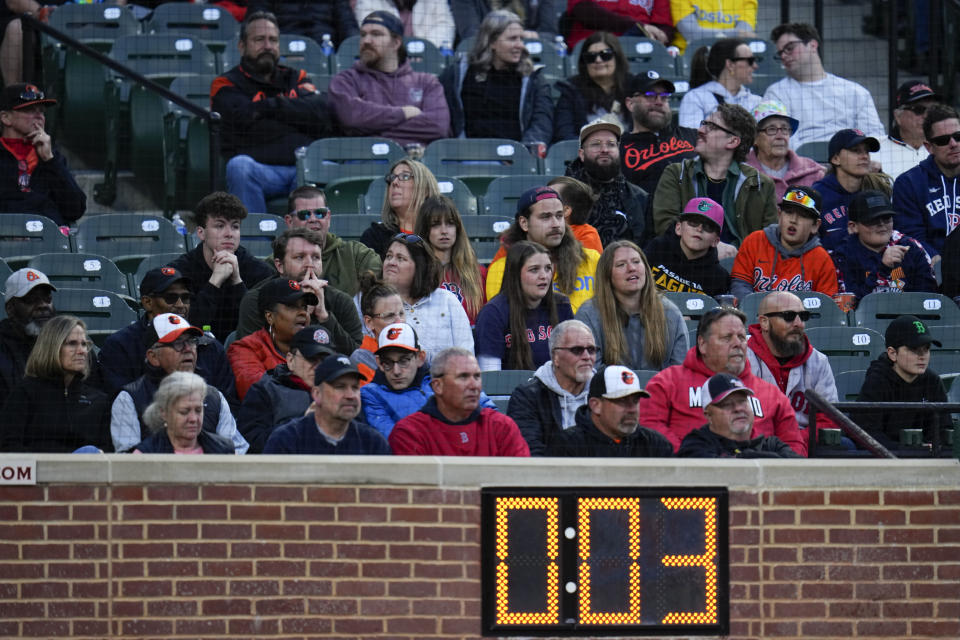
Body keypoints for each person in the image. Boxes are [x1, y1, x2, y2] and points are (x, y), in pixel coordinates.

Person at [211, 11, 334, 214]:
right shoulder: (225, 83)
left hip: (301, 167)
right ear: (242, 46)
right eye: (259, 40)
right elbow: (239, 125)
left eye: (273, 40)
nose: (267, 46)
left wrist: (267, 108)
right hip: (260, 171)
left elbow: (321, 115)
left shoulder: (297, 76)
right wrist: (293, 112)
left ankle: (308, 243)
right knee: (239, 166)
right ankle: (255, 244)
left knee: (324, 164)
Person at [638, 306, 806, 455]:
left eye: (741, 337)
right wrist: (692, 459)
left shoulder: (771, 393)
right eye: (727, 338)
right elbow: (650, 428)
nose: (737, 344)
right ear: (702, 344)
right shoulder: (668, 382)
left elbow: (794, 445)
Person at [97, 266, 238, 406]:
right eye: (171, 298)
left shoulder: (210, 346)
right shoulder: (120, 345)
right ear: (147, 302)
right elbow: (120, 402)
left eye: (186, 297)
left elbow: (229, 403)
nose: (180, 304)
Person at [110, 314, 248, 455]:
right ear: (153, 356)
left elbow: (236, 453)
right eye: (177, 343)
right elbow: (127, 463)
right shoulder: (129, 398)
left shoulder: (214, 396)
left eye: (192, 341)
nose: (188, 349)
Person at [652, 103, 777, 257]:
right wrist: (710, 249)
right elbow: (665, 225)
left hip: (743, 268)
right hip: (687, 265)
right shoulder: (677, 173)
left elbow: (770, 240)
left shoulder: (761, 184)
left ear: (732, 141)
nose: (700, 130)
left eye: (711, 126)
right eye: (703, 124)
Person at [329, 10, 450, 148]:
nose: (366, 40)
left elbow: (438, 126)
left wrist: (369, 129)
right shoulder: (346, 80)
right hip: (365, 161)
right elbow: (351, 117)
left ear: (396, 43)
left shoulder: (427, 83)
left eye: (376, 34)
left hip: (416, 164)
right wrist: (403, 112)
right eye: (363, 35)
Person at [233, 228, 363, 354]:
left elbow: (356, 356)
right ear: (279, 265)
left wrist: (324, 317)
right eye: (300, 257)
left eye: (316, 257)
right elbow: (251, 354)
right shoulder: (256, 300)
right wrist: (306, 315)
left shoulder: (341, 301)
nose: (310, 264)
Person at [361, 322, 498, 438]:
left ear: (420, 358)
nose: (396, 371)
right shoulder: (371, 395)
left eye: (404, 361)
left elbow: (492, 415)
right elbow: (395, 438)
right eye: (388, 363)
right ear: (379, 363)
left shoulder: (445, 376)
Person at [170, 192, 275, 342]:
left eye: (235, 226)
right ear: (201, 233)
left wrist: (237, 281)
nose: (229, 234)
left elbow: (263, 328)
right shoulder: (181, 272)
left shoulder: (259, 272)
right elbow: (183, 327)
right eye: (219, 226)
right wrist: (214, 282)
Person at [763, 22, 884, 150]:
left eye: (790, 48)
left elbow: (875, 135)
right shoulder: (776, 93)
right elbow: (780, 140)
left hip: (851, 161)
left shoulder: (855, 92)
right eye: (780, 53)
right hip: (802, 164)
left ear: (812, 45)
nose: (783, 55)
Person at [439, 10, 553, 144]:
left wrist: (522, 154)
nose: (520, 45)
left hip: (515, 158)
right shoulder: (458, 74)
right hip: (467, 154)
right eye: (512, 39)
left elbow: (542, 125)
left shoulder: (533, 78)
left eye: (521, 39)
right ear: (491, 41)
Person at [389, 348, 530, 456]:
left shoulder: (502, 427)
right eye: (463, 377)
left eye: (477, 377)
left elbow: (522, 484)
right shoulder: (409, 432)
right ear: (438, 386)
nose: (474, 385)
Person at [0, 315, 111, 453]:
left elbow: (107, 453)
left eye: (84, 344)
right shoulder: (24, 394)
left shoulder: (99, 401)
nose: (82, 351)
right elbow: (9, 447)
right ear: (52, 346)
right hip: (38, 472)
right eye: (72, 343)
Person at [575, 239, 686, 370]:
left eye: (636, 262)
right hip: (609, 390)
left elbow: (679, 370)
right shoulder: (589, 314)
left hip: (660, 389)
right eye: (621, 264)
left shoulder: (670, 312)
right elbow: (590, 371)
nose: (631, 268)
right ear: (607, 275)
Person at [487, 186, 600, 312]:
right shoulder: (501, 270)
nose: (556, 224)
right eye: (545, 217)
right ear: (524, 223)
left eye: (559, 216)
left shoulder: (591, 259)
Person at [745, 291, 840, 434]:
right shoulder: (740, 355)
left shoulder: (818, 361)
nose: (798, 323)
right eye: (788, 316)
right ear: (764, 322)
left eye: (803, 316)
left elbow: (829, 420)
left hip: (805, 442)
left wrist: (797, 444)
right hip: (754, 442)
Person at [263, 354, 393, 454]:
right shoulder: (286, 439)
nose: (350, 395)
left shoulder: (372, 442)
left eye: (355, 388)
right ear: (317, 394)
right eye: (340, 387)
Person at [476, 241, 574, 371]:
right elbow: (492, 378)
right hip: (509, 390)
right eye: (534, 270)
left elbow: (573, 361)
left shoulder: (562, 306)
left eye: (548, 268)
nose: (544, 276)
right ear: (516, 275)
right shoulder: (493, 314)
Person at [855, 315, 949, 450]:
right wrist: (907, 451)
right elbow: (866, 433)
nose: (922, 356)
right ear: (892, 353)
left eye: (926, 349)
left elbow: (943, 429)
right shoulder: (877, 380)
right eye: (914, 349)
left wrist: (930, 448)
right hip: (884, 461)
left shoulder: (932, 381)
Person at [730, 186, 838, 299]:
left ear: (815, 226)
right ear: (779, 215)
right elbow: (740, 286)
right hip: (756, 315)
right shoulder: (755, 242)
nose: (793, 220)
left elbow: (826, 306)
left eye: (802, 216)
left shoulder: (821, 260)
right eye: (789, 212)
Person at [0, 82, 85, 226]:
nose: (38, 116)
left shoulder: (51, 157)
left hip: (47, 241)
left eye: (41, 111)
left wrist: (50, 160)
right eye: (29, 110)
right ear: (6, 117)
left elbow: (75, 209)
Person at [507, 319, 597, 455]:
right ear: (556, 357)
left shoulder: (605, 392)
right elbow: (530, 453)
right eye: (577, 350)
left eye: (591, 350)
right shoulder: (527, 397)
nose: (587, 356)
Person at [238, 325, 333, 453]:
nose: (318, 366)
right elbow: (250, 443)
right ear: (290, 360)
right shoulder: (265, 391)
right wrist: (301, 425)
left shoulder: (342, 392)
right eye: (311, 359)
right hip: (283, 469)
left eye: (325, 360)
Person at [381, 232, 474, 360]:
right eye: (388, 256)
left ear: (420, 267)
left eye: (400, 258)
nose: (391, 262)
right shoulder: (371, 302)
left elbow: (466, 355)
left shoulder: (447, 301)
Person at [832, 190, 937, 302]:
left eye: (886, 218)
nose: (881, 224)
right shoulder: (843, 255)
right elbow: (848, 307)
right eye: (872, 220)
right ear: (853, 227)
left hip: (910, 317)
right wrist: (882, 269)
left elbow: (928, 299)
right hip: (863, 319)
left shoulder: (911, 248)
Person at [547, 364, 673, 456]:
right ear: (596, 405)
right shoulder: (568, 445)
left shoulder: (655, 444)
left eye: (635, 401)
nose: (632, 409)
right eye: (622, 400)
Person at [227, 277, 320, 400]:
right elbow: (259, 394)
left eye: (304, 307)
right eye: (292, 306)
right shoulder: (244, 349)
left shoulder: (318, 346)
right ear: (269, 317)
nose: (303, 313)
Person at [564, 116, 650, 245]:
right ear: (582, 154)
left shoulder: (639, 197)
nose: (604, 149)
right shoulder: (564, 194)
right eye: (596, 144)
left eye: (611, 144)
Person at [283, 185, 382, 297]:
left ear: (328, 217)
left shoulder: (357, 256)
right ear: (289, 221)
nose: (313, 219)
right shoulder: (279, 261)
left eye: (320, 213)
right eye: (305, 214)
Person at [892, 103, 960, 260]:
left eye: (958, 136)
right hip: (933, 270)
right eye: (943, 140)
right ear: (929, 147)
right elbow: (911, 237)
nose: (953, 144)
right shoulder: (909, 183)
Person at [677, 373, 801, 458]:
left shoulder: (772, 445)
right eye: (727, 404)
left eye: (742, 401)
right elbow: (717, 474)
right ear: (709, 415)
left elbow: (803, 473)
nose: (738, 408)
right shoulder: (696, 444)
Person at [619, 71, 697, 197]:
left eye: (664, 97)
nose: (659, 102)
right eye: (650, 96)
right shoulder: (619, 148)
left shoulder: (691, 135)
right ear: (630, 104)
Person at [413, 195, 486, 325]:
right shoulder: (414, 273)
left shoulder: (478, 273)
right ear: (425, 230)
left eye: (450, 223)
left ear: (457, 229)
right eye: (435, 225)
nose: (444, 231)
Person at [812, 129, 885, 254]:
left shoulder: (876, 190)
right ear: (836, 159)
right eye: (856, 151)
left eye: (866, 151)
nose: (864, 156)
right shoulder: (817, 195)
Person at [552, 32, 634, 142]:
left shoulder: (634, 87)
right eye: (591, 57)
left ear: (617, 58)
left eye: (605, 55)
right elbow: (565, 135)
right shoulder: (571, 90)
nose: (598, 60)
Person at [643, 196, 730, 297]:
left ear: (716, 241)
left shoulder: (718, 277)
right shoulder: (657, 248)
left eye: (708, 227)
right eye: (694, 222)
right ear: (678, 228)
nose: (699, 229)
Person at [133, 372, 236, 455]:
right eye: (184, 412)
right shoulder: (145, 455)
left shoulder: (224, 451)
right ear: (164, 412)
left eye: (198, 410)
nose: (193, 419)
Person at [744, 100, 824, 201]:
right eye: (771, 129)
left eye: (785, 129)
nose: (780, 136)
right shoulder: (741, 174)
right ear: (755, 138)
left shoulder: (812, 172)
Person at [360, 159, 440, 258]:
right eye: (392, 178)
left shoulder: (441, 234)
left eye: (405, 176)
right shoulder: (374, 236)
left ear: (425, 190)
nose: (394, 182)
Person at [0, 267, 56, 406]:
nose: (43, 305)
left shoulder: (68, 340)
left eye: (47, 298)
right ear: (10, 309)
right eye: (31, 300)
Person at [678, 38, 761, 130]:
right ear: (730, 64)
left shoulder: (757, 101)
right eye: (750, 61)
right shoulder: (695, 98)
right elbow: (690, 140)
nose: (755, 66)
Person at [876, 82, 941, 181]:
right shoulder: (875, 150)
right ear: (898, 116)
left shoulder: (948, 146)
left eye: (933, 110)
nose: (927, 115)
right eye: (919, 109)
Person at [350, 272, 404, 379]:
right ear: (369, 322)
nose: (399, 322)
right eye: (389, 316)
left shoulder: (417, 350)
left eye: (401, 314)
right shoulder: (361, 358)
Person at [247, 0, 358, 46]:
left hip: (325, 49)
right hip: (281, 50)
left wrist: (354, 46)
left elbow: (347, 24)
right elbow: (257, 21)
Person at [565, 0, 672, 47]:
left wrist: (660, 35)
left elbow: (664, 25)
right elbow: (583, 11)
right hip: (594, 48)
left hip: (639, 49)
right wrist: (636, 27)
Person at [353, 0, 455, 48]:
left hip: (425, 64)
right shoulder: (367, 1)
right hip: (384, 64)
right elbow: (374, 33)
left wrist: (420, 50)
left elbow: (445, 26)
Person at [670, 0, 756, 53]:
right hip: (693, 55)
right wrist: (735, 33)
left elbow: (744, 35)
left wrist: (735, 34)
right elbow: (692, 34)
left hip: (730, 56)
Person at [452, 0, 558, 43]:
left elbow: (550, 34)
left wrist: (530, 36)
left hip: (529, 56)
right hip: (483, 60)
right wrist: (506, 37)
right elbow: (471, 36)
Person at [546, 177, 603, 254]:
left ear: (565, 211)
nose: (541, 200)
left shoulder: (587, 236)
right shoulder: (536, 229)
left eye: (549, 197)